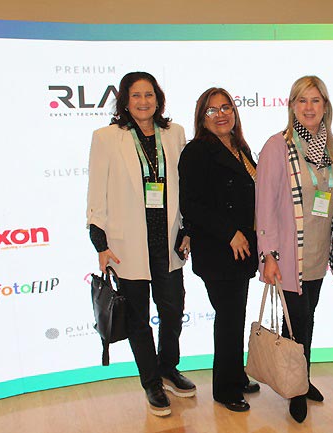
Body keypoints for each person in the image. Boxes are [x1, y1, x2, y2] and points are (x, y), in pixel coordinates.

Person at [86, 71, 195, 417]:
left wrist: (188, 229)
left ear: (158, 99)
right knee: (137, 318)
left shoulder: (174, 133)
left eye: (149, 95)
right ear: (125, 100)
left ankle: (168, 368)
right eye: (136, 95)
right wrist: (99, 243)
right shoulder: (106, 138)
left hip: (168, 241)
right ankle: (151, 381)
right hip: (127, 244)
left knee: (173, 311)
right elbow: (96, 193)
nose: (143, 101)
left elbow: (186, 186)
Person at [255, 75, 333, 423]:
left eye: (315, 100)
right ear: (292, 106)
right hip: (289, 255)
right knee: (296, 323)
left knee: (308, 317)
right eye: (302, 101)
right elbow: (265, 205)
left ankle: (302, 378)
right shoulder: (277, 146)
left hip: (319, 252)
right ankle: (295, 388)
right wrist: (268, 255)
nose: (309, 108)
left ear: (325, 106)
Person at [178, 87, 260, 412]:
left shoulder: (240, 148)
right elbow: (191, 205)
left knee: (235, 316)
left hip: (242, 250)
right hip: (218, 251)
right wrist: (230, 233)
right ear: (202, 118)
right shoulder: (196, 152)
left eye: (226, 107)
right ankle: (225, 389)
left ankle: (236, 375)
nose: (221, 114)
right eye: (212, 110)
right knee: (228, 319)